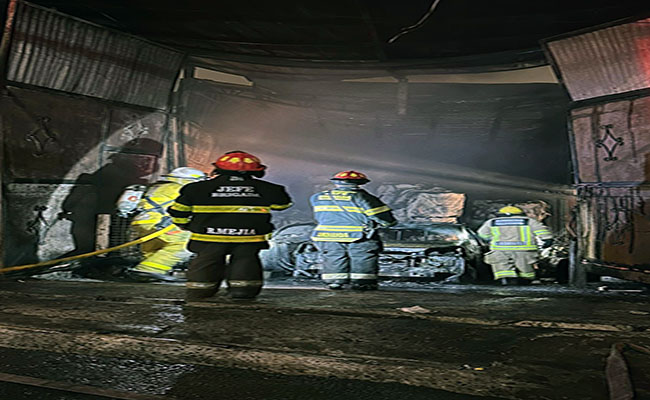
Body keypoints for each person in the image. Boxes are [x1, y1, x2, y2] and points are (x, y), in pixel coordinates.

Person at [168, 151, 292, 300]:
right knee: (245, 261)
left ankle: (200, 292)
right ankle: (243, 293)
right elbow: (282, 205)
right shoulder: (270, 189)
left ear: (218, 168)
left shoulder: (195, 189)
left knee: (206, 262)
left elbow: (178, 211)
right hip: (249, 237)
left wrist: (183, 225)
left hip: (207, 237)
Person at [310, 171, 396, 291]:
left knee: (333, 257)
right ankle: (362, 283)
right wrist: (390, 223)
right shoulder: (362, 197)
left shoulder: (317, 197)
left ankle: (335, 282)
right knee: (362, 257)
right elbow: (382, 216)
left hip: (326, 235)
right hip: (358, 235)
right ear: (360, 183)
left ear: (336, 182)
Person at [123, 167, 207, 282]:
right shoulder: (182, 188)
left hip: (143, 222)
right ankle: (148, 269)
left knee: (155, 248)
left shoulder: (158, 187)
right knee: (185, 245)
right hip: (163, 224)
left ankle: (149, 273)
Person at [477, 206, 553, 286]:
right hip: (524, 250)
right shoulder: (528, 221)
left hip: (500, 249)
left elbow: (482, 234)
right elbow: (542, 232)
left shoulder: (492, 222)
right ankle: (525, 284)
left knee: (503, 269)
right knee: (525, 270)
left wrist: (491, 239)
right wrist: (547, 240)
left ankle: (507, 283)